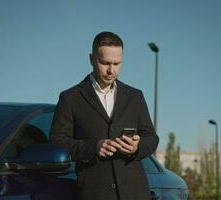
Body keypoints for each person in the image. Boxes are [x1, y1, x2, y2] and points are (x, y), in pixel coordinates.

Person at [50, 31, 159, 200]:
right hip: (94, 193)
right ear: (92, 59)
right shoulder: (70, 98)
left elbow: (151, 138)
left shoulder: (135, 96)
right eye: (105, 63)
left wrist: (137, 146)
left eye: (117, 63)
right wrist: (94, 147)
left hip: (135, 193)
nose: (111, 70)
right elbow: (57, 142)